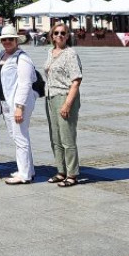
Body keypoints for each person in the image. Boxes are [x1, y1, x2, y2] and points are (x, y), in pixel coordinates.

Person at [0, 25, 38, 185]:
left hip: (19, 103)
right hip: (6, 102)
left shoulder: (23, 58)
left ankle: (24, 174)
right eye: (4, 39)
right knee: (17, 136)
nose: (7, 42)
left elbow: (25, 83)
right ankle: (28, 169)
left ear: (16, 41)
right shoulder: (3, 55)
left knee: (20, 137)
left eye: (10, 39)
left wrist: (19, 106)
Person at [44, 23, 82, 187]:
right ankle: (61, 171)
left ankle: (72, 174)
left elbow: (76, 81)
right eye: (56, 33)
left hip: (65, 96)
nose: (59, 35)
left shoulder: (70, 54)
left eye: (63, 33)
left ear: (68, 36)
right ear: (52, 36)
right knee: (55, 137)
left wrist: (67, 104)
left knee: (67, 137)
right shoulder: (50, 52)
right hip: (50, 97)